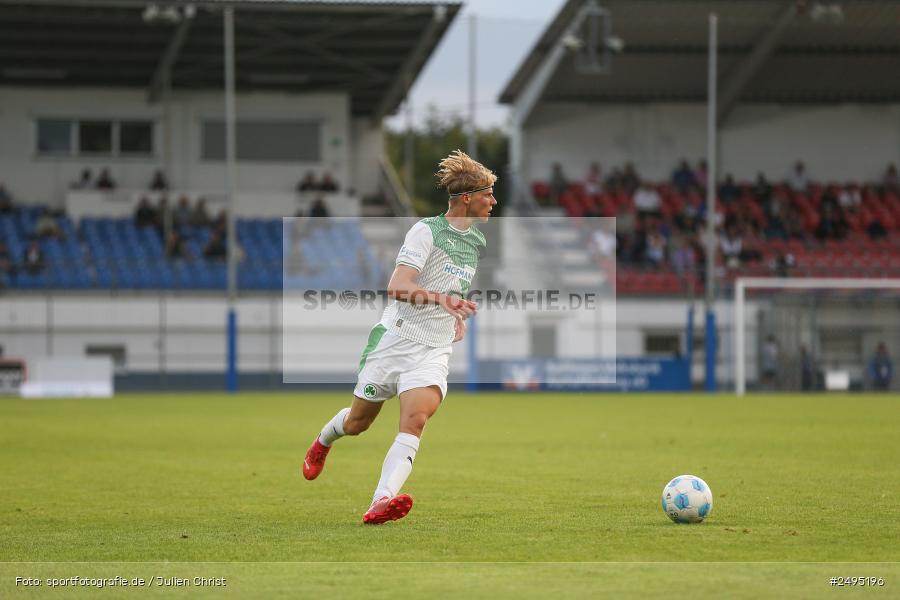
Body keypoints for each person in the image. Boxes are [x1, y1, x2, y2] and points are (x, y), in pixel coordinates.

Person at [301, 149, 495, 525]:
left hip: (433, 347)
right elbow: (398, 286)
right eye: (489, 194)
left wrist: (456, 313)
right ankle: (323, 441)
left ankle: (380, 501)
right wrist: (442, 299)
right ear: (467, 198)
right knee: (358, 423)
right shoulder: (426, 231)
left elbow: (453, 283)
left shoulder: (477, 243)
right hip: (396, 339)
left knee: (416, 420)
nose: (494, 201)